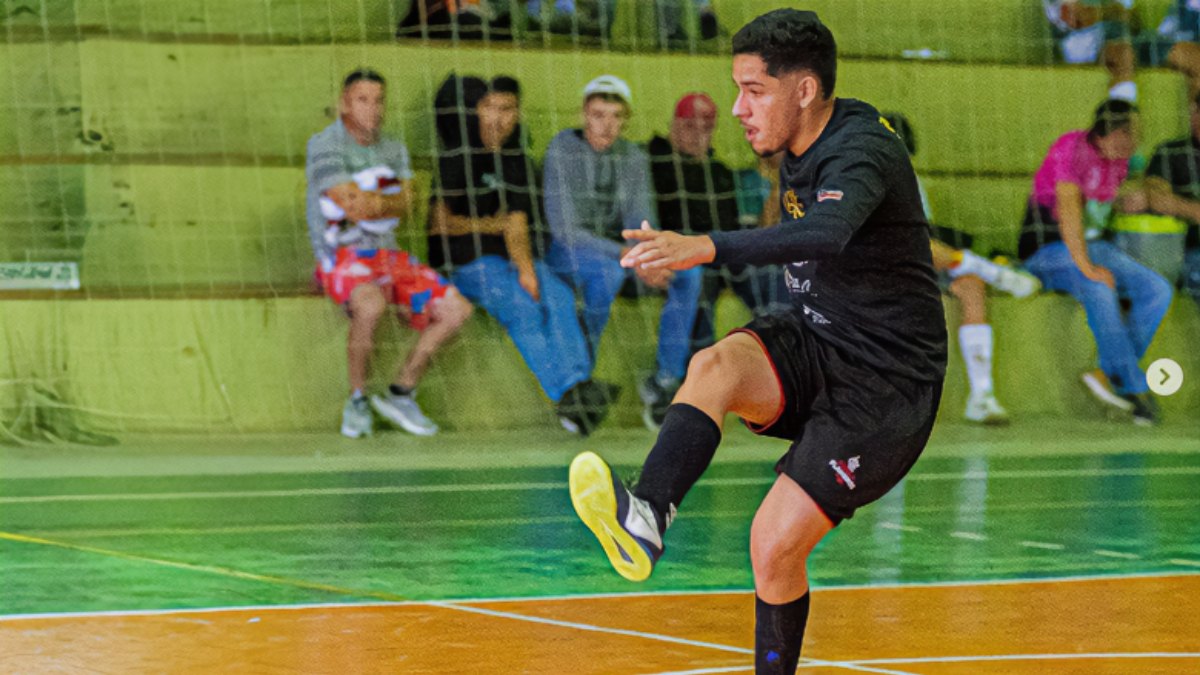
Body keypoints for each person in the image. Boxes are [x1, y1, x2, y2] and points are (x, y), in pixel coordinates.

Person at [567, 11, 946, 674]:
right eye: (736, 89)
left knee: (772, 546)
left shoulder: (861, 149)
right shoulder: (797, 141)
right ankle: (648, 514)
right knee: (714, 364)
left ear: (803, 90)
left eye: (753, 90)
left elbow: (827, 233)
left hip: (884, 386)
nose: (739, 108)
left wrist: (704, 247)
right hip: (819, 339)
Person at [427, 73, 615, 434]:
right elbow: (439, 224)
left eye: (507, 109)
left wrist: (527, 268)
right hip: (467, 263)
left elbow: (516, 224)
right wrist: (490, 226)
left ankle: (579, 384)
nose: (498, 117)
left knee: (558, 295)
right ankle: (568, 398)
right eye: (490, 108)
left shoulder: (518, 161)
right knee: (523, 306)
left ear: (517, 113)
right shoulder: (458, 155)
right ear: (477, 111)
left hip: (513, 258)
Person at [306, 68, 473, 438]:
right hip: (341, 258)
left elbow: (409, 203)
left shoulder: (393, 146)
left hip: (389, 257)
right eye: (363, 100)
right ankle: (358, 398)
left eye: (379, 100)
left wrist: (373, 201)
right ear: (344, 103)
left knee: (457, 309)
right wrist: (384, 201)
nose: (374, 109)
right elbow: (355, 207)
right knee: (370, 305)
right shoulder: (325, 145)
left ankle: (401, 391)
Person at [542, 74, 703, 430]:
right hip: (568, 254)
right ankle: (581, 388)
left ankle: (664, 382)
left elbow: (642, 221)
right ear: (584, 114)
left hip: (619, 254)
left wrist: (649, 257)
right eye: (599, 115)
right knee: (607, 272)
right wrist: (626, 255)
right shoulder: (561, 148)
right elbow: (565, 232)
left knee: (689, 273)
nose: (607, 125)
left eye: (616, 116)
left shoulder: (631, 156)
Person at [1018, 99, 1172, 425]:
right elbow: (1070, 210)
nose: (1136, 142)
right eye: (1132, 135)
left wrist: (1134, 196)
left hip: (1092, 246)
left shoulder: (1121, 160)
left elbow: (1107, 201)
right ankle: (1133, 387)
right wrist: (1086, 266)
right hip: (1047, 250)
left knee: (1157, 289)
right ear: (1112, 134)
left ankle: (1107, 373)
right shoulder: (1070, 149)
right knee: (1099, 287)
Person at [882, 112, 1041, 425]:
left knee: (971, 286)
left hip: (913, 261)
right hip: (874, 267)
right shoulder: (855, 179)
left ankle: (981, 396)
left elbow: (920, 236)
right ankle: (994, 272)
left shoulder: (909, 180)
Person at [648, 91, 788, 354]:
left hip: (721, 254)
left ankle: (784, 355)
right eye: (689, 126)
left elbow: (736, 229)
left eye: (706, 128)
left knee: (771, 274)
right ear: (674, 126)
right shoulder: (654, 161)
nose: (697, 134)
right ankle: (695, 371)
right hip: (682, 256)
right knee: (702, 280)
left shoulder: (719, 173)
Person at [1042, 0, 1200, 101]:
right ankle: (1123, 114)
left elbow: (1131, 18)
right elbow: (1076, 19)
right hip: (1086, 42)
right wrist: (1109, 11)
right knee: (1123, 52)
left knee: (1193, 56)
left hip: (1130, 36)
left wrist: (1108, 12)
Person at [1143, 89, 1200, 305]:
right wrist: (1194, 211)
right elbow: (1156, 198)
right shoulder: (1171, 152)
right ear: (1194, 115)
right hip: (1185, 252)